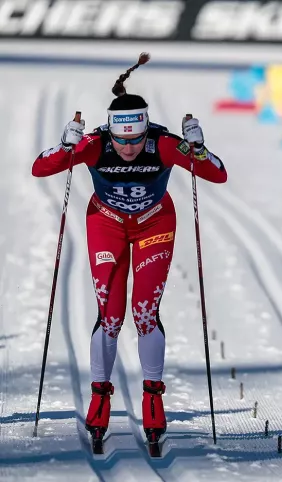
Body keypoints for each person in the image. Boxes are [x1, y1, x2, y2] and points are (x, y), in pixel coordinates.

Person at [31, 54, 227, 451]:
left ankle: (153, 395)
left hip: (155, 224)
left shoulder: (165, 143)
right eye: (121, 140)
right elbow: (40, 169)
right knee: (110, 315)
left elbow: (217, 174)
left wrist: (198, 148)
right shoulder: (95, 143)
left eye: (136, 139)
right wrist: (66, 146)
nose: (128, 148)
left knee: (144, 313)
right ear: (110, 132)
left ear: (145, 130)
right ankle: (100, 395)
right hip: (106, 223)